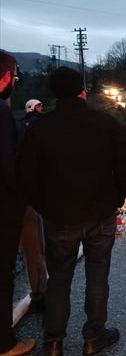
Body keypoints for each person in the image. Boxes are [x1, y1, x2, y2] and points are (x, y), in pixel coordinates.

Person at [19, 66, 126, 356]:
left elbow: (28, 175)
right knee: (97, 276)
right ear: (82, 91)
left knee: (59, 278)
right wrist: (115, 200)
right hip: (100, 214)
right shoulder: (106, 124)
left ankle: (53, 341)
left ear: (55, 94)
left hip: (59, 217)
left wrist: (44, 206)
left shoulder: (39, 129)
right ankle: (94, 336)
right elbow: (125, 169)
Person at [0, 50, 36, 356]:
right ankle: (4, 343)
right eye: (15, 76)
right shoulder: (1, 113)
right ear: (5, 78)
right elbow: (9, 167)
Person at [18, 99, 47, 313]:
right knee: (35, 247)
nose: (41, 109)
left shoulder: (18, 125)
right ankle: (40, 294)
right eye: (38, 107)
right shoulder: (35, 126)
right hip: (28, 196)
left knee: (34, 248)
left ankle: (41, 291)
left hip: (25, 195)